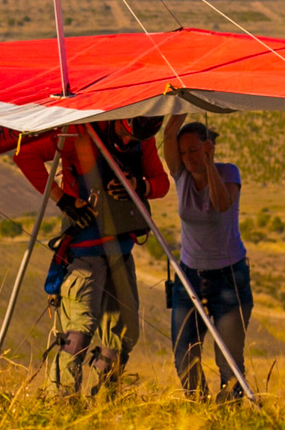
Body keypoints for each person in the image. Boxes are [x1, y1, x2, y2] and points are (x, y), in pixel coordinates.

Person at [17, 119, 167, 399]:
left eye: (133, 137)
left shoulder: (143, 140)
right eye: (124, 132)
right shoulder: (81, 131)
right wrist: (63, 200)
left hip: (121, 250)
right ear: (120, 120)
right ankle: (60, 405)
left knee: (123, 333)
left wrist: (137, 185)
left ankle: (106, 401)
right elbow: (24, 154)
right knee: (78, 331)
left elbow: (161, 183)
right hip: (84, 249)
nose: (127, 140)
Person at [160, 114, 253, 400]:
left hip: (228, 278)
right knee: (184, 356)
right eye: (183, 151)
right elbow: (167, 135)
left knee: (229, 362)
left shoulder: (228, 173)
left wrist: (210, 165)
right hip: (189, 277)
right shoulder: (181, 175)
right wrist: (183, 98)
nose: (187, 157)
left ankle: (228, 419)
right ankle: (198, 411)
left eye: (195, 151)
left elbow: (221, 203)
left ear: (208, 148)